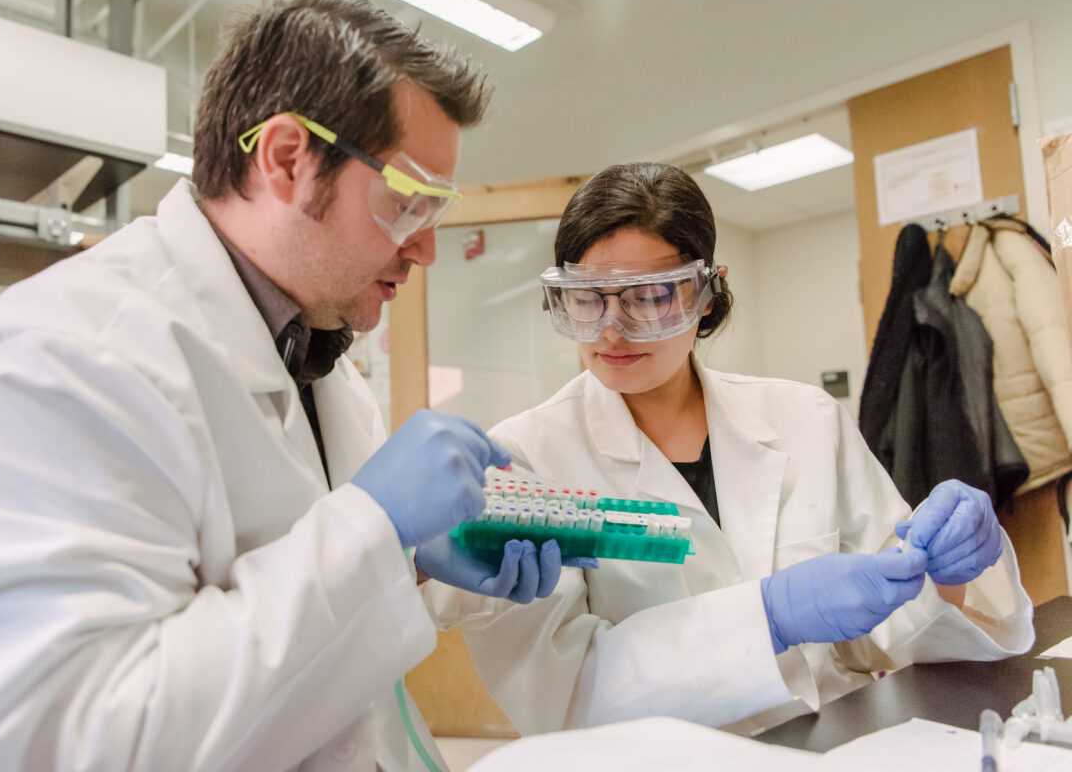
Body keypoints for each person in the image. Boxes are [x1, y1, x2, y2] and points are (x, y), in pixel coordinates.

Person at [0, 0, 568, 772]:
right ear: (286, 158)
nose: (424, 250)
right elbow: (65, 742)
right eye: (407, 202)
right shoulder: (55, 365)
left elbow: (294, 623)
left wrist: (407, 556)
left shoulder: (317, 362)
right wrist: (374, 526)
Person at [424, 162, 1035, 735]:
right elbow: (566, 694)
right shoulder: (524, 457)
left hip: (837, 746)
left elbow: (887, 633)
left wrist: (951, 573)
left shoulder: (807, 420)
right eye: (587, 297)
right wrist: (767, 617)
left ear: (705, 294)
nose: (611, 328)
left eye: (649, 296)